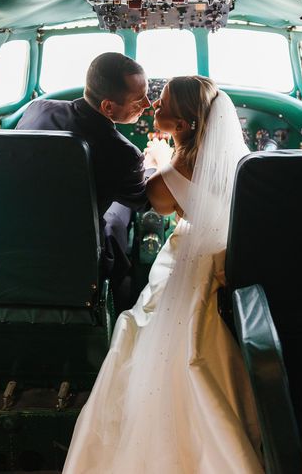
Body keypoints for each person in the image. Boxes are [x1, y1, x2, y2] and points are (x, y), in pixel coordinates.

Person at [62, 76, 263, 474]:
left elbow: (154, 200)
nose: (154, 107)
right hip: (224, 255)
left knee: (148, 332)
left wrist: (155, 159)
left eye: (164, 103)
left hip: (190, 260)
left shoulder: (178, 167)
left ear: (185, 123)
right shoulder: (232, 156)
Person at [17, 52, 165, 311]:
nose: (148, 104)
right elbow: (143, 201)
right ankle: (122, 291)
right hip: (78, 255)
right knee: (122, 213)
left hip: (20, 237)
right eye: (138, 99)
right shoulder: (122, 152)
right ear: (108, 107)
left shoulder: (37, 109)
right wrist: (155, 164)